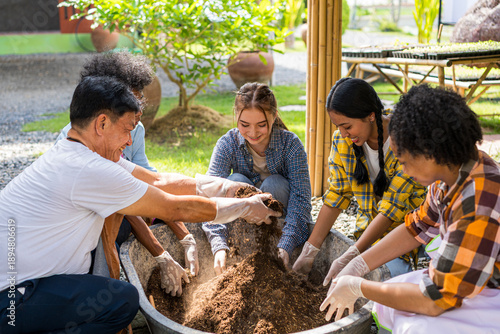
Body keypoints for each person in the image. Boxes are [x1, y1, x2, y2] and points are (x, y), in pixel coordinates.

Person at [0, 76, 281, 333]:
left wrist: (226, 188)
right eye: (126, 131)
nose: (128, 141)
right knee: (121, 301)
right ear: (101, 124)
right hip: (12, 300)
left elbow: (158, 181)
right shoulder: (89, 169)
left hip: (24, 285)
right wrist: (244, 208)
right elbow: (173, 208)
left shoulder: (78, 153)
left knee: (110, 295)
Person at [319, 84, 500, 332]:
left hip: (492, 290)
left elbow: (437, 298)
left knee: (417, 326)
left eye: (404, 162)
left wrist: (359, 286)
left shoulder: (478, 200)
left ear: (429, 152)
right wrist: (358, 263)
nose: (403, 170)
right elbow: (416, 227)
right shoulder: (450, 176)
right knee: (389, 304)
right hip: (475, 282)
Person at [55, 51, 199, 278]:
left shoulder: (135, 129)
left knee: (155, 212)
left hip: (122, 203)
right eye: (130, 101)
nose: (139, 109)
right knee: (112, 219)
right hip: (82, 220)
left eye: (139, 99)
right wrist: (161, 254)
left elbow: (151, 182)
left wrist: (185, 236)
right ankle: (101, 286)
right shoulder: (81, 138)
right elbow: (125, 198)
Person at [292, 78, 427, 280]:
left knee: (389, 278)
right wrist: (309, 251)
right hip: (368, 234)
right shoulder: (343, 142)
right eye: (338, 126)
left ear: (371, 115)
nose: (343, 134)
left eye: (347, 126)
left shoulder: (407, 141)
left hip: (409, 232)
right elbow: (337, 195)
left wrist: (351, 255)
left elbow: (391, 209)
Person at [202, 82, 312, 274]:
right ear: (236, 117)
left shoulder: (290, 145)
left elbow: (301, 200)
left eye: (261, 125)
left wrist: (286, 245)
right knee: (234, 182)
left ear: (274, 116)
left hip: (280, 227)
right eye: (244, 125)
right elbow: (209, 197)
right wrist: (219, 245)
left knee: (273, 185)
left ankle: (276, 249)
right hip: (241, 224)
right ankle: (241, 247)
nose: (253, 133)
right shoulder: (227, 144)